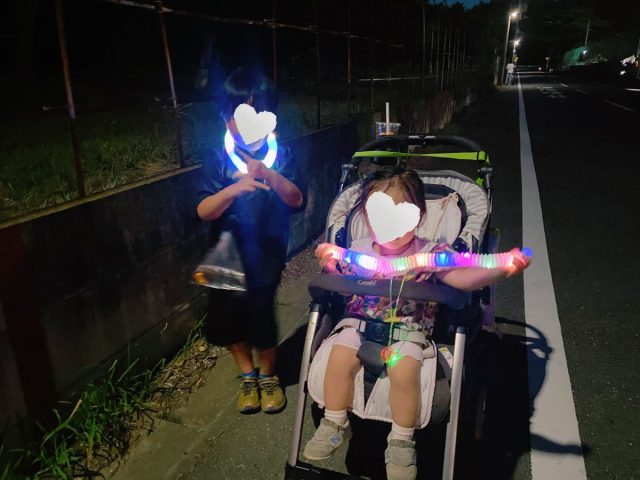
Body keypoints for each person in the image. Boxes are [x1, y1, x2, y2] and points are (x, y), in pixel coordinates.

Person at [303, 168, 529, 480]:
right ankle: (334, 420)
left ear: (419, 216)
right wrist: (330, 263)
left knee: (404, 368)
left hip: (407, 331)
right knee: (340, 354)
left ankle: (401, 439)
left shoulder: (430, 254)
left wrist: (502, 267)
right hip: (359, 324)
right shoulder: (360, 251)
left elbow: (464, 276)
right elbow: (341, 285)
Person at [196, 67, 304, 414]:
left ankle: (268, 376)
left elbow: (297, 200)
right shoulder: (216, 158)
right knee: (228, 318)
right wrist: (234, 189)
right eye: (237, 114)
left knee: (261, 315)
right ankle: (247, 376)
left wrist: (269, 174)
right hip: (225, 253)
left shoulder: (283, 154)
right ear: (224, 116)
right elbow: (203, 210)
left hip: (267, 252)